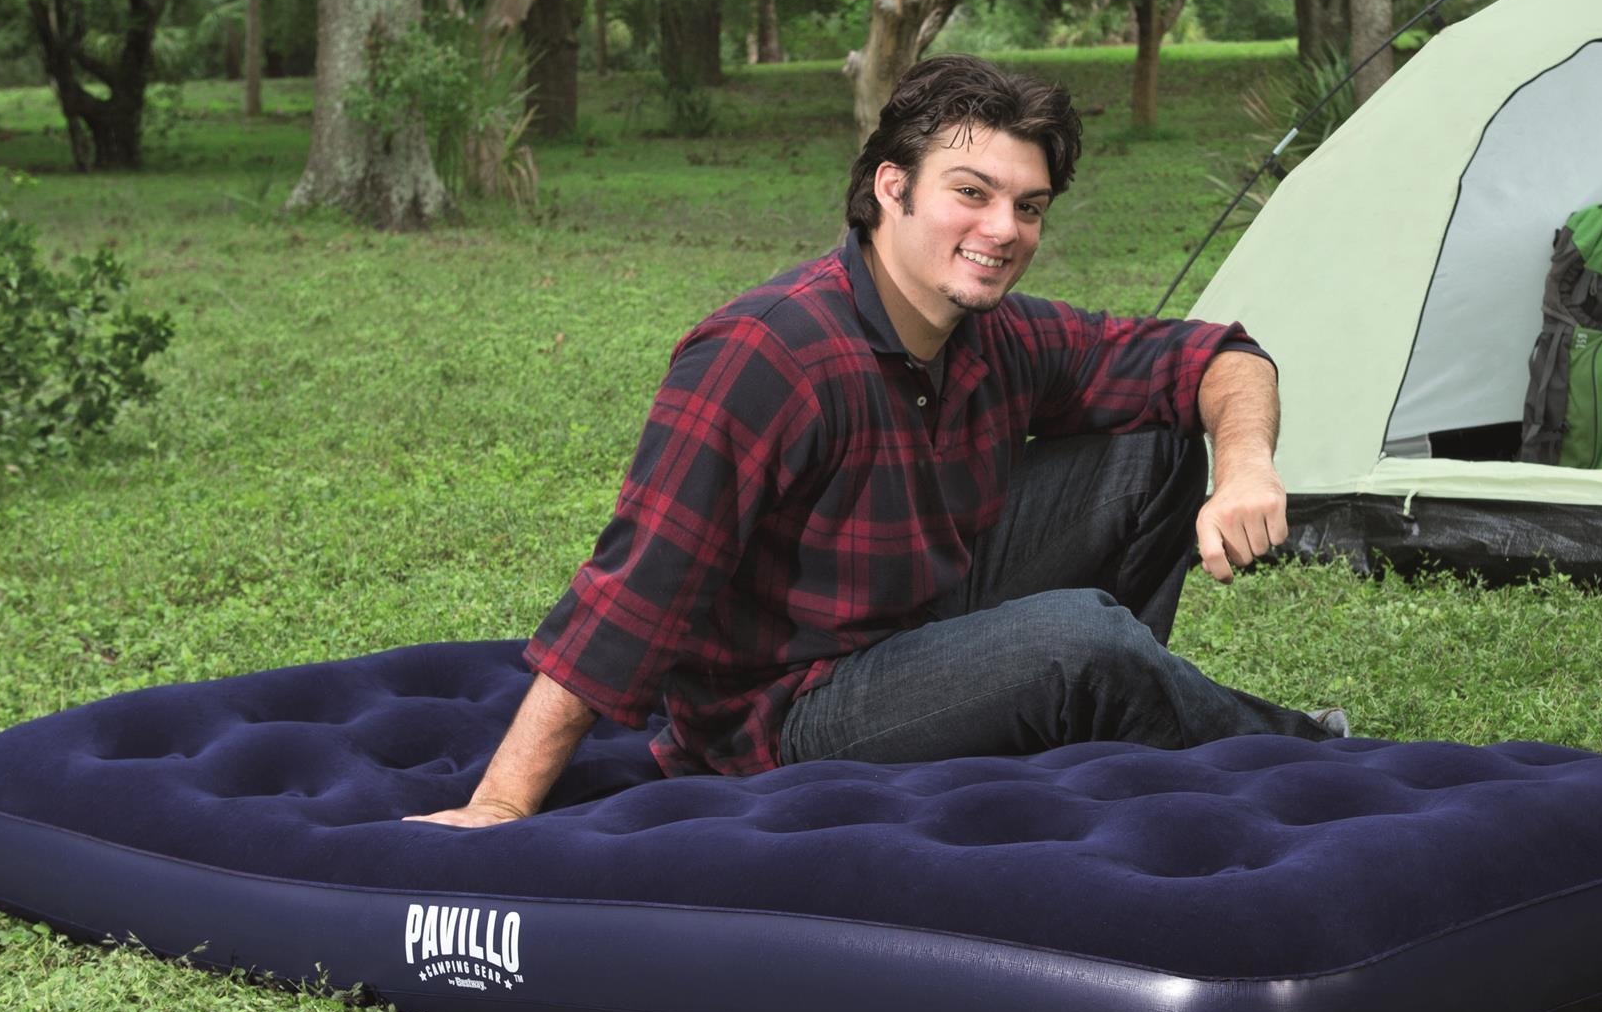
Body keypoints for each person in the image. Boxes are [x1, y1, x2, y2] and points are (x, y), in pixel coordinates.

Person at [411, 55, 1334, 827]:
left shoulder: (993, 334)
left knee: (1155, 445)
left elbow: (1214, 354)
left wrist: (1245, 463)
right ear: (891, 188)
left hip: (926, 618)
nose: (1003, 231)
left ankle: (1090, 754)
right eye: (971, 194)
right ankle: (1312, 765)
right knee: (1074, 640)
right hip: (789, 713)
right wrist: (497, 807)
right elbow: (631, 595)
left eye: (1030, 206)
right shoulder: (765, 355)